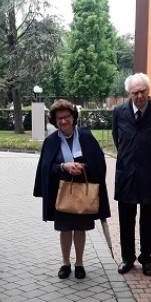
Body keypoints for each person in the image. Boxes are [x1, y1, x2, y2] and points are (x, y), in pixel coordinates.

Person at [33, 99, 110, 279]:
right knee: (65, 229)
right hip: (62, 193)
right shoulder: (51, 141)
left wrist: (83, 167)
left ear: (73, 117)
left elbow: (99, 163)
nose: (63, 121)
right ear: (55, 120)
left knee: (81, 229)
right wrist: (63, 167)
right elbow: (46, 168)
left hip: (83, 192)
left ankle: (80, 263)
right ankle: (66, 263)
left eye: (66, 116)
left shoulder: (85, 137)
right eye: (59, 118)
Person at [112, 73, 151, 276]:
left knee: (149, 220)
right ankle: (128, 258)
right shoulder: (119, 112)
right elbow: (117, 139)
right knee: (126, 220)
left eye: (142, 91)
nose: (139, 96)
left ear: (148, 91)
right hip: (126, 174)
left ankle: (146, 258)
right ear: (129, 93)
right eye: (134, 92)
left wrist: (147, 158)